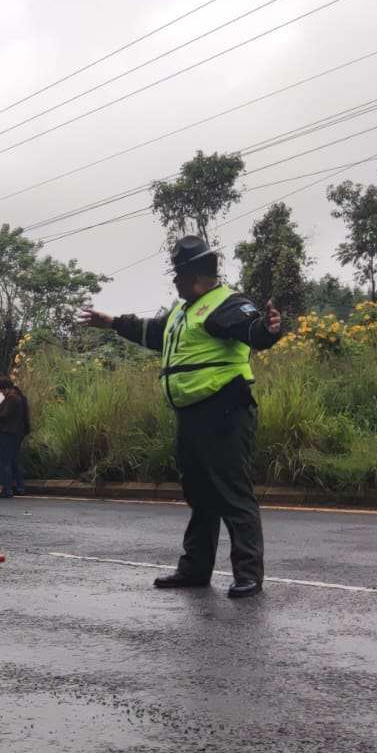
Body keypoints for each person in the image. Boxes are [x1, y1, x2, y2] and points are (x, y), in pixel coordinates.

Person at [78, 235, 285, 598]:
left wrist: (269, 330)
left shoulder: (225, 304)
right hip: (191, 416)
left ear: (195, 274)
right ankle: (194, 570)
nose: (173, 280)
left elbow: (253, 331)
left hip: (224, 412)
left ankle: (248, 574)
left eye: (178, 274)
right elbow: (152, 332)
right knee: (200, 495)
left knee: (233, 493)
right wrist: (111, 322)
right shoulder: (183, 311)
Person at [0, 378, 29, 498]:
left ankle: (7, 489)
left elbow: (4, 414)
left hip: (8, 433)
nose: (2, 393)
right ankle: (19, 486)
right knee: (14, 460)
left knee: (5, 461)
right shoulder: (19, 397)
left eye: (2, 390)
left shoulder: (12, 398)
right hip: (16, 433)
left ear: (5, 389)